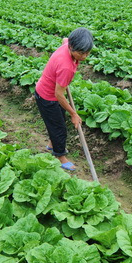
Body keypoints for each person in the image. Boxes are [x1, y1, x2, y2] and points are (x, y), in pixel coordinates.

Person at [35, 27, 93, 171]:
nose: (84, 56)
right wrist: (74, 113)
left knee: (58, 120)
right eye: (81, 53)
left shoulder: (67, 43)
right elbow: (58, 95)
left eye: (87, 52)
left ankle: (51, 144)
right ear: (72, 47)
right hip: (47, 97)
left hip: (49, 92)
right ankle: (60, 156)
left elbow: (64, 39)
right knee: (59, 128)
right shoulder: (66, 67)